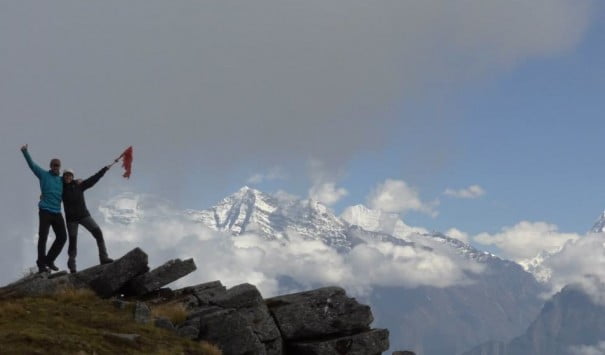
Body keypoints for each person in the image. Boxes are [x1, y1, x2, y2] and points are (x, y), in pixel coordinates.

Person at [21, 144, 67, 273]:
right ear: (50, 166)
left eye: (57, 165)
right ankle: (41, 264)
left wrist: (78, 181)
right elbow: (32, 165)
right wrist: (25, 152)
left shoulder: (62, 180)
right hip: (45, 211)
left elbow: (71, 182)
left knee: (62, 237)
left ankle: (49, 260)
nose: (55, 167)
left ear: (59, 167)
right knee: (43, 237)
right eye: (53, 165)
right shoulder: (43, 174)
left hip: (57, 212)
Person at [62, 166, 114, 273]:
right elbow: (52, 192)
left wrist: (103, 170)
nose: (68, 177)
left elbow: (93, 179)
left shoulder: (79, 186)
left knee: (98, 233)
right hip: (71, 220)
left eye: (70, 175)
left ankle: (103, 257)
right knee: (73, 242)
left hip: (84, 216)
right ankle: (72, 264)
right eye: (66, 175)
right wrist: (44, 195)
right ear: (63, 177)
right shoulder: (61, 188)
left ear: (72, 177)